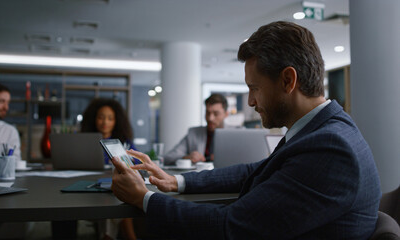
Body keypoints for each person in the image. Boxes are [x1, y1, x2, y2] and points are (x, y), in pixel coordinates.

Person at [109, 21, 381, 239]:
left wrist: (144, 197)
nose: (250, 101)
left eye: (254, 88)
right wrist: (177, 181)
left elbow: (230, 227)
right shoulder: (321, 130)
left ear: (288, 80)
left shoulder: (331, 148)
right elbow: (256, 171)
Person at [81, 98, 137, 240]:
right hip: (89, 183)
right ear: (94, 119)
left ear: (116, 121)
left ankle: (108, 236)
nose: (105, 122)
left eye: (110, 118)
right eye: (101, 117)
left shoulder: (123, 141)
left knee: (113, 200)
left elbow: (136, 160)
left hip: (113, 183)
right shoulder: (85, 141)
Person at [164, 93, 228, 165]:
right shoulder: (193, 133)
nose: (210, 118)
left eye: (216, 114)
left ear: (226, 114)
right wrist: (187, 157)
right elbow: (168, 158)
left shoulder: (235, 135)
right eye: (208, 113)